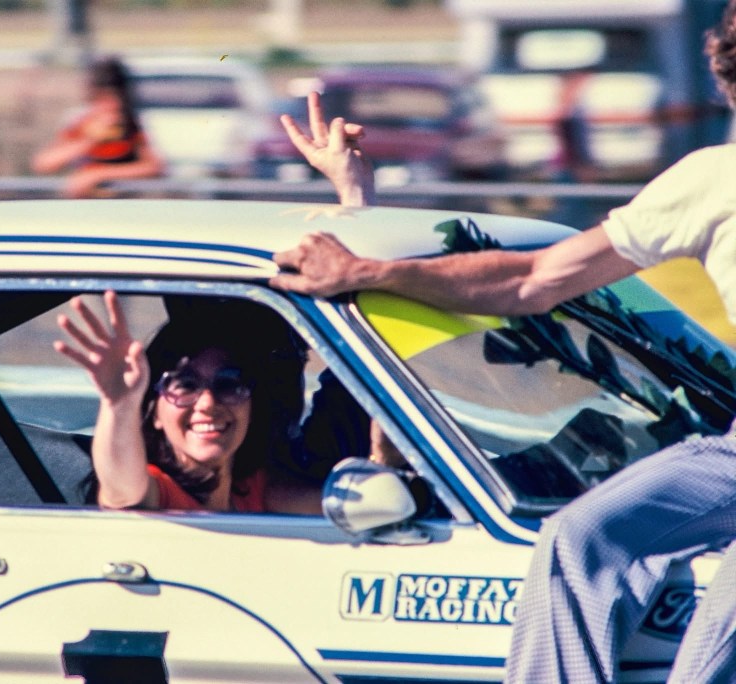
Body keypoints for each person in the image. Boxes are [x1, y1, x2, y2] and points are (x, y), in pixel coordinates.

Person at [269, 2, 736, 682]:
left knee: (715, 643)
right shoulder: (714, 180)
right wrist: (367, 262)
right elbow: (534, 279)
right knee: (576, 538)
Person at [54, 290, 319, 513]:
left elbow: (336, 508)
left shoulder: (253, 490)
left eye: (229, 384)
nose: (207, 403)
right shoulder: (160, 494)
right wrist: (120, 405)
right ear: (155, 413)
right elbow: (121, 490)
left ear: (251, 408)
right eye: (185, 386)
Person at [31, 56, 164, 199]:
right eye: (102, 98)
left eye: (115, 98)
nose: (110, 105)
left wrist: (98, 174)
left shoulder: (132, 124)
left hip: (122, 203)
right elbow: (43, 164)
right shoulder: (80, 123)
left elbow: (154, 167)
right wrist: (90, 140)